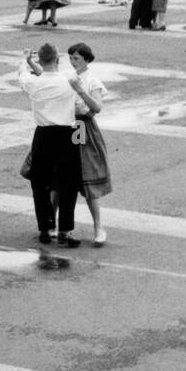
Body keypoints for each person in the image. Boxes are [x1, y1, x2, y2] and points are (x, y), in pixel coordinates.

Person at [18, 43, 84, 247]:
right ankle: (65, 230)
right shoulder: (70, 78)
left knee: (40, 183)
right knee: (69, 184)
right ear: (58, 59)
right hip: (68, 132)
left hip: (43, 133)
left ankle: (45, 228)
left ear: (40, 61)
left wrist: (26, 59)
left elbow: (23, 73)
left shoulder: (32, 82)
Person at [66, 44, 112, 247]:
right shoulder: (67, 76)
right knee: (61, 178)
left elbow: (97, 107)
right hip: (66, 124)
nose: (72, 61)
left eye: (76, 58)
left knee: (87, 179)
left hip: (82, 126)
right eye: (71, 58)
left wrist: (80, 92)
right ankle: (55, 225)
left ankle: (98, 227)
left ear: (86, 59)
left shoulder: (92, 80)